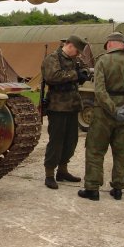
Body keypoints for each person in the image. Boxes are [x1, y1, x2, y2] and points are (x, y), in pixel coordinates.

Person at [78, 32, 124, 201]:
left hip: (103, 113)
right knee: (120, 151)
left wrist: (113, 109)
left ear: (110, 44)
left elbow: (99, 90)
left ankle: (92, 188)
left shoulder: (103, 61)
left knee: (95, 150)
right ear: (122, 45)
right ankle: (118, 187)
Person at [41, 35, 90, 189]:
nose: (78, 54)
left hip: (73, 105)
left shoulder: (75, 59)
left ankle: (62, 171)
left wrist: (84, 73)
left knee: (71, 141)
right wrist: (75, 75)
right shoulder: (53, 58)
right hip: (58, 106)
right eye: (77, 50)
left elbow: (85, 68)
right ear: (69, 45)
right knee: (56, 141)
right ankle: (49, 174)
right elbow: (52, 76)